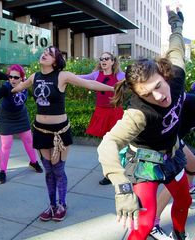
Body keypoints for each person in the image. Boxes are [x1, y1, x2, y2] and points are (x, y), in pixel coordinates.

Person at [97, 6, 192, 240]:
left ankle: (179, 234)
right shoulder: (138, 113)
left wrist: (175, 22)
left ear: (164, 74)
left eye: (158, 86)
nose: (158, 97)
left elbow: (176, 45)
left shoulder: (176, 74)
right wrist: (121, 187)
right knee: (145, 222)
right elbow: (108, 143)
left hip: (172, 153)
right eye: (148, 94)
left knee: (184, 199)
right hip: (145, 162)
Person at [12, 46, 114, 222]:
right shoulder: (34, 76)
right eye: (44, 51)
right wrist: (12, 86)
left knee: (58, 169)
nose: (44, 54)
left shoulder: (62, 76)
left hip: (60, 131)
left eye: (50, 54)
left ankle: (62, 204)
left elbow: (89, 84)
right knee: (48, 170)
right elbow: (20, 86)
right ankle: (51, 205)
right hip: (41, 130)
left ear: (56, 61)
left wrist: (115, 89)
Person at [150, 92, 195, 240]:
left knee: (192, 165)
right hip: (162, 141)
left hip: (173, 138)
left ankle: (183, 199)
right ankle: (152, 222)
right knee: (175, 178)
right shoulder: (189, 100)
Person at [78, 52, 125, 186]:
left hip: (115, 112)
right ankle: (110, 173)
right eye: (101, 59)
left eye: (106, 58)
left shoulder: (119, 75)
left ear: (112, 61)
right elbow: (81, 78)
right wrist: (65, 76)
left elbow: (133, 81)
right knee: (105, 145)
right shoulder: (96, 75)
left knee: (116, 144)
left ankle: (116, 171)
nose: (103, 61)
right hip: (101, 112)